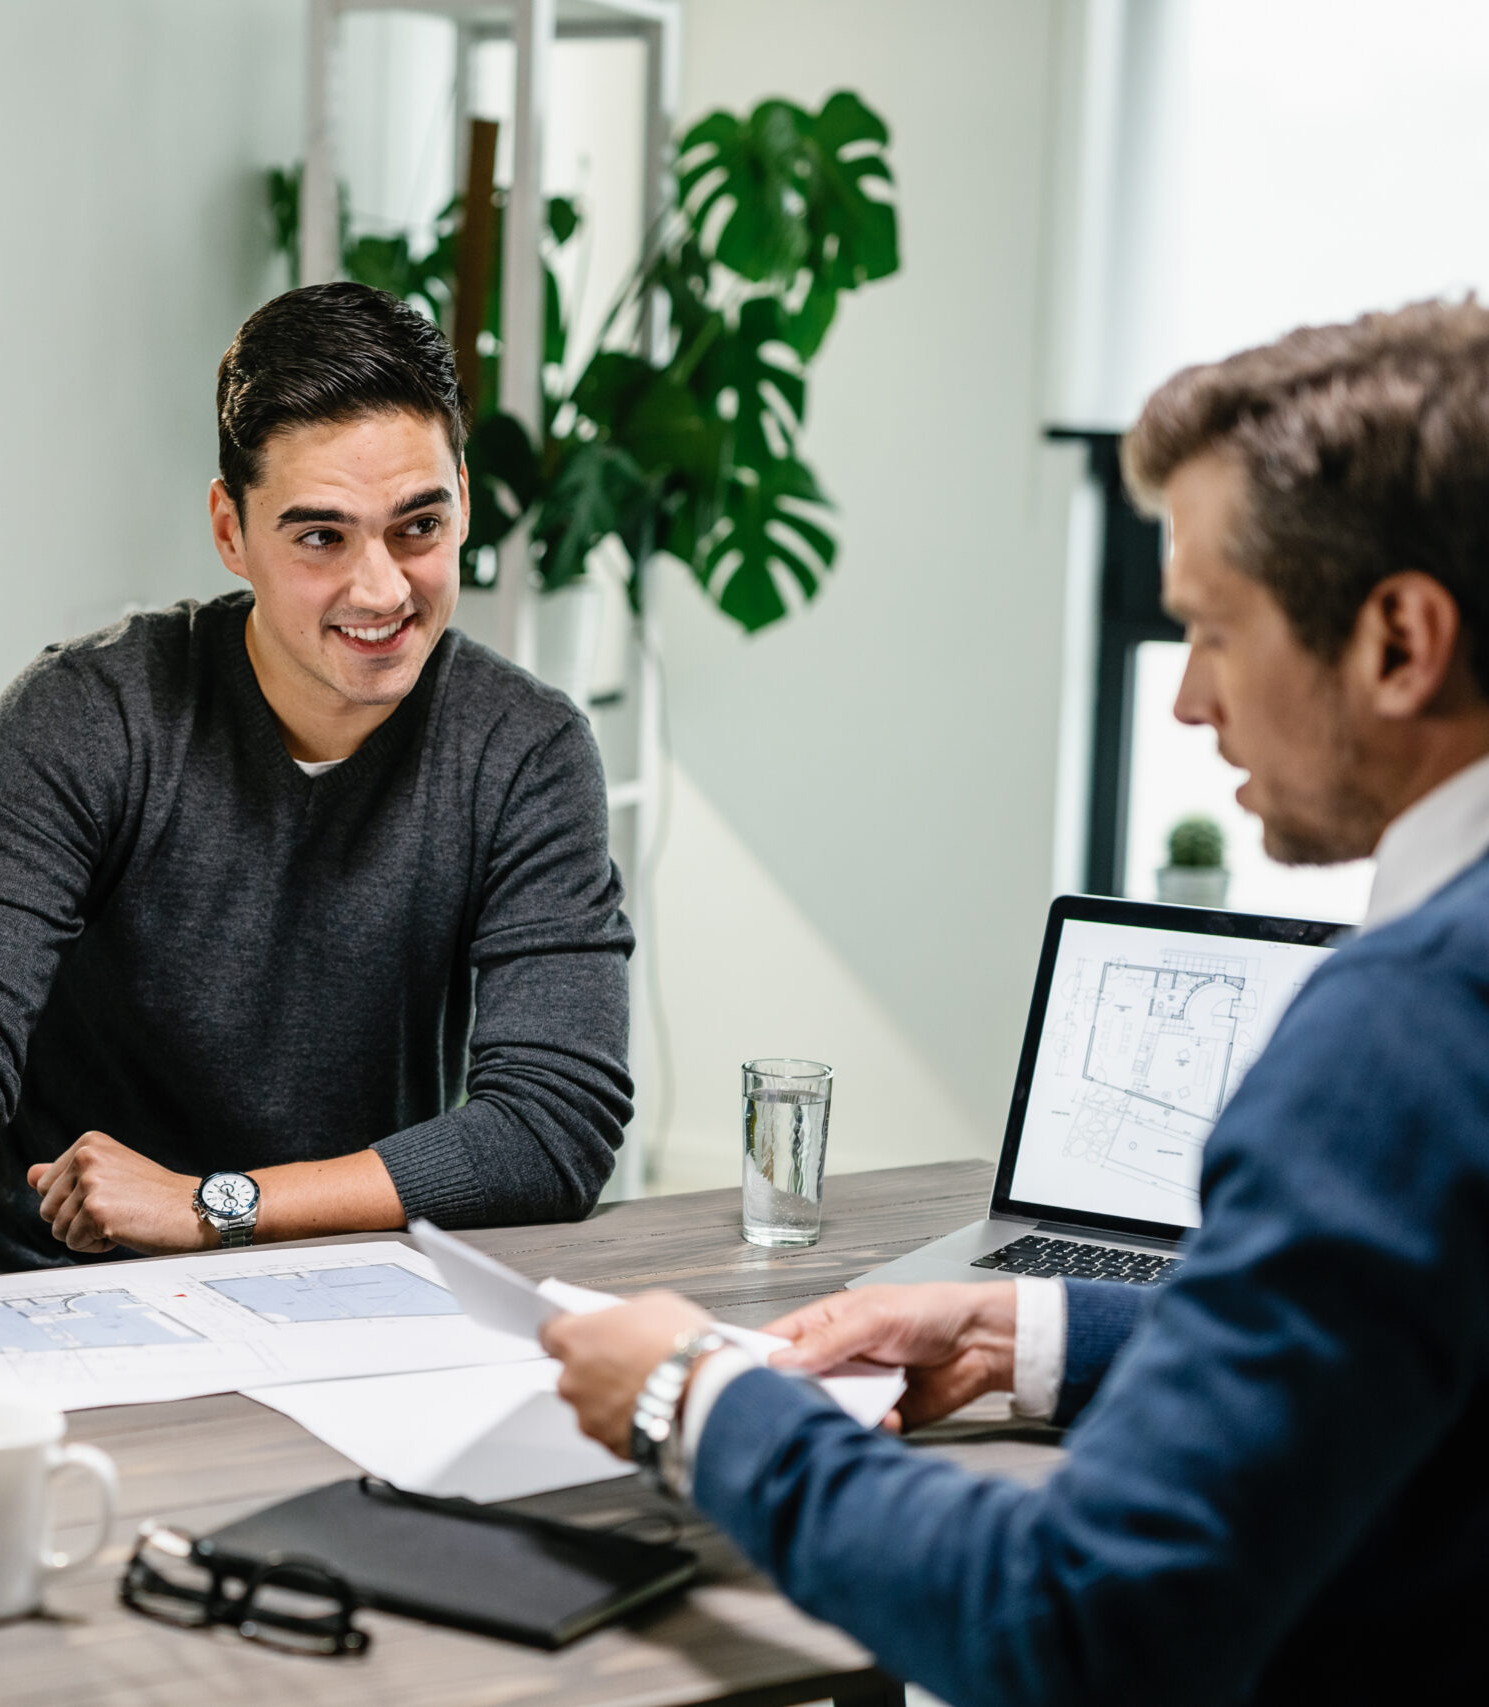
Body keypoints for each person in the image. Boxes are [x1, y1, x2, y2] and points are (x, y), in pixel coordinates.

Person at [543, 300, 1489, 1706]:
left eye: (1212, 633)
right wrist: (1022, 1331)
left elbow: (1078, 1622)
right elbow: (1413, 1351)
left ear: (1400, 639)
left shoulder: (1407, 1030)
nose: (1186, 704)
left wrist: (699, 1399)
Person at [0, 282, 635, 1380]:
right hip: (65, 1300)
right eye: (320, 535)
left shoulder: (525, 749)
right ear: (231, 529)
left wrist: (213, 1207)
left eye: (419, 526)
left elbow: (552, 1122)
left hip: (361, 1306)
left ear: (462, 499)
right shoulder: (89, 714)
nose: (381, 588)